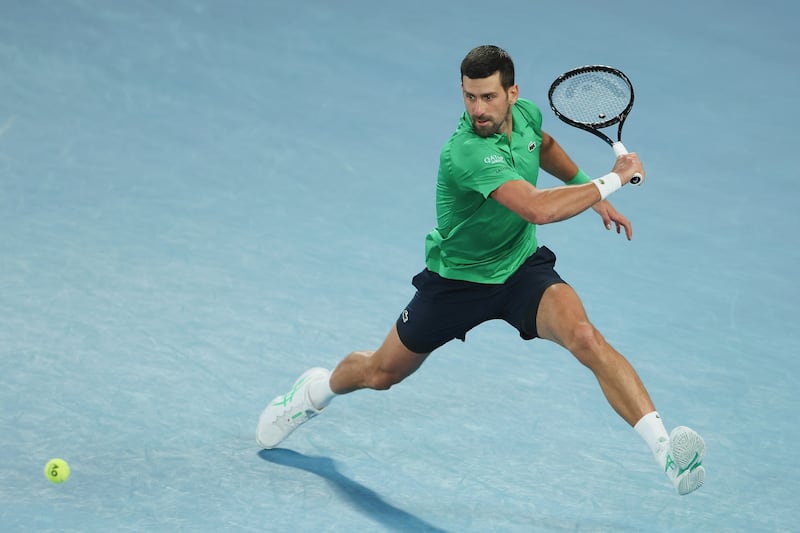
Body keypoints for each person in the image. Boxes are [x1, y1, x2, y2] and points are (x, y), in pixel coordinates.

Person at [257, 45, 705, 495]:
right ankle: (314, 393)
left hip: (519, 268)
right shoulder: (466, 151)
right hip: (456, 283)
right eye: (469, 97)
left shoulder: (526, 114)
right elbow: (535, 209)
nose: (478, 109)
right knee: (380, 374)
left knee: (585, 337)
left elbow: (543, 145)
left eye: (488, 97)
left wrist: (586, 189)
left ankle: (666, 453)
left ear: (513, 94)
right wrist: (612, 180)